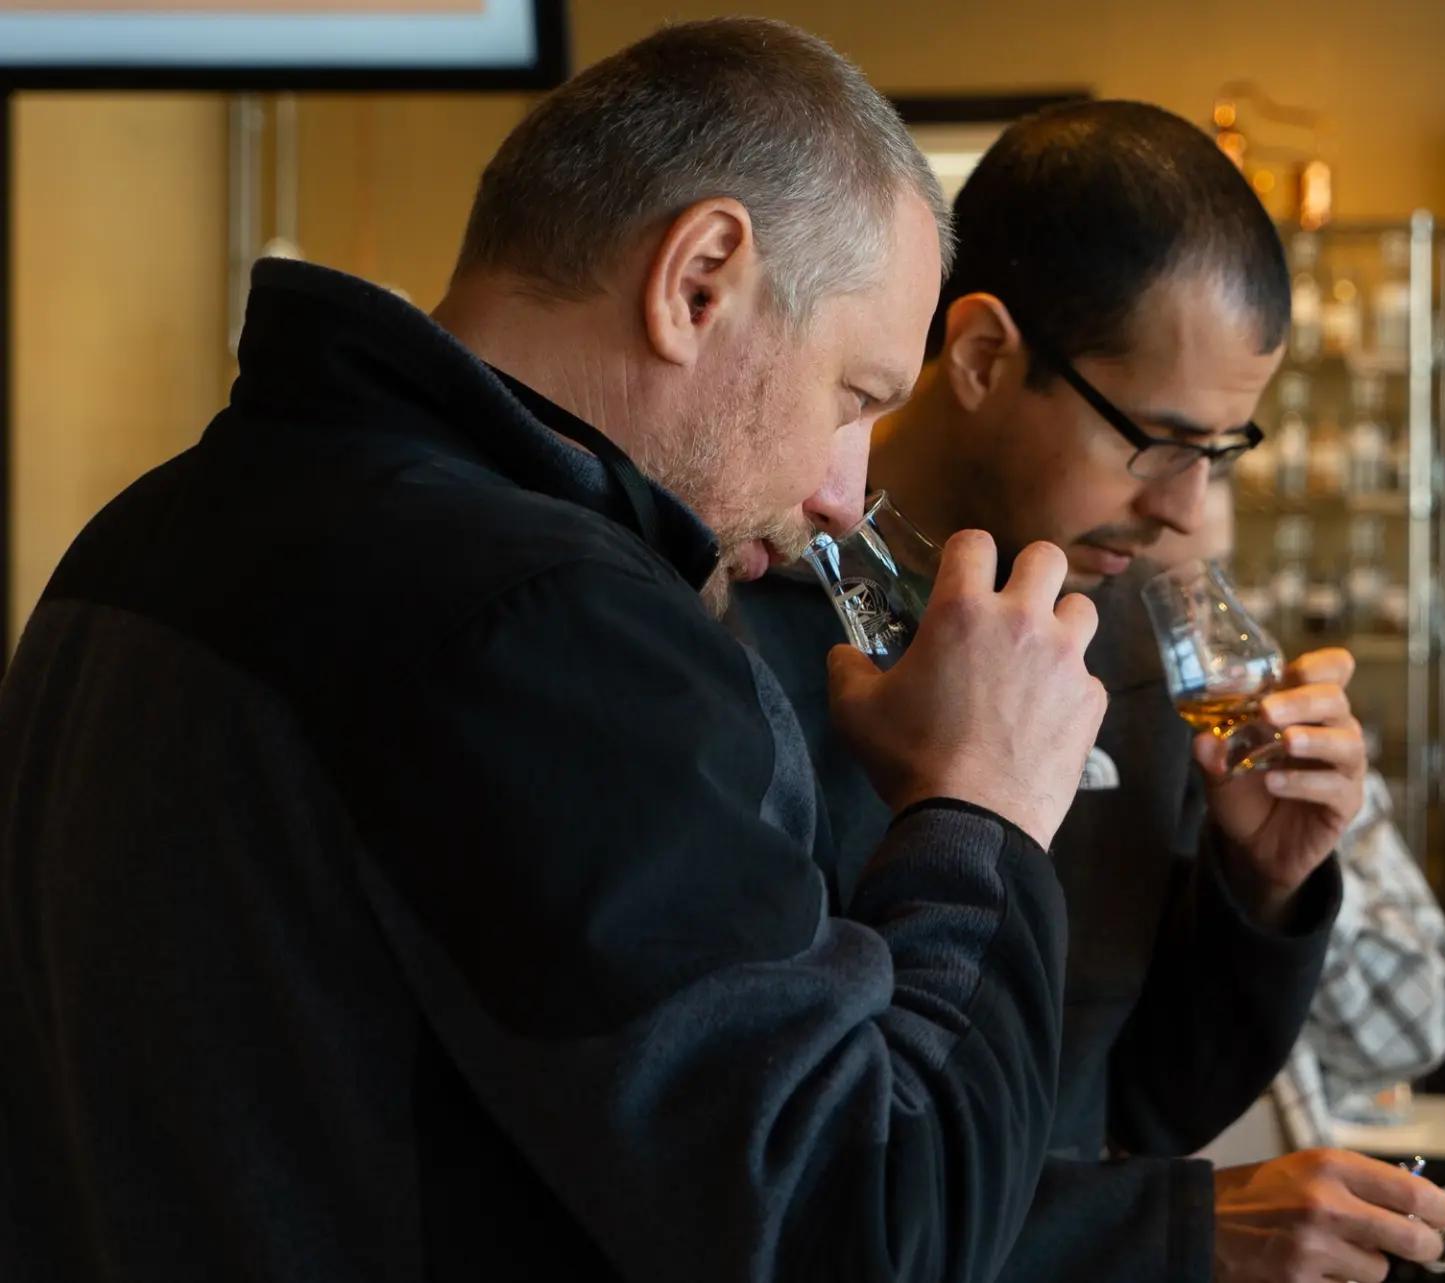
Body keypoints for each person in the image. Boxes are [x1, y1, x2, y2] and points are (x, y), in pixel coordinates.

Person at [0, 21, 1109, 1283]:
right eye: (853, 395)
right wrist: (987, 803)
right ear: (699, 281)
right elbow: (863, 1227)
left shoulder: (149, 524)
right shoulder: (546, 620)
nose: (844, 493)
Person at [734, 100, 1445, 1283]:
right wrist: (1169, 1232)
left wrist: (1262, 885)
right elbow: (775, 1186)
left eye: (1219, 453)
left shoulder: (1121, 636)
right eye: (1156, 440)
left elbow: (1142, 1101)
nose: (1184, 508)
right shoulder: (745, 616)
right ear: (978, 355)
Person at [1151, 481, 1445, 1151]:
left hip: (1281, 1214)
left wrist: (1286, 883)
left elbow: (1418, 1031)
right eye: (1165, 599)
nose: (1203, 639)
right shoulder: (1056, 767)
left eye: (1215, 588)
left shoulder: (1289, 760)